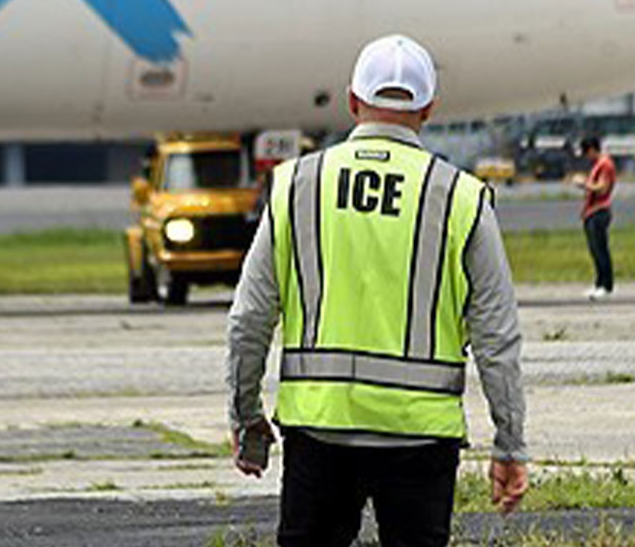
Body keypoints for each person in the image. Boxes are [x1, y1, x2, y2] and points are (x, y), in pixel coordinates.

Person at [226, 35, 529, 547]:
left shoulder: (295, 185)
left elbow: (249, 318)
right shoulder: (461, 197)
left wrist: (246, 414)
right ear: (429, 108)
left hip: (319, 429)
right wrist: (510, 443)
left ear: (351, 101)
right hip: (420, 436)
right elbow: (497, 337)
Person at [573, 136, 615, 300]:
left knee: (600, 249)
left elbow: (602, 189)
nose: (586, 157)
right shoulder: (598, 165)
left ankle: (606, 285)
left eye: (586, 153)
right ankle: (599, 283)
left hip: (599, 211)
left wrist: (584, 183)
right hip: (591, 212)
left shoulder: (605, 165)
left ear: (591, 149)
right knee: (595, 250)